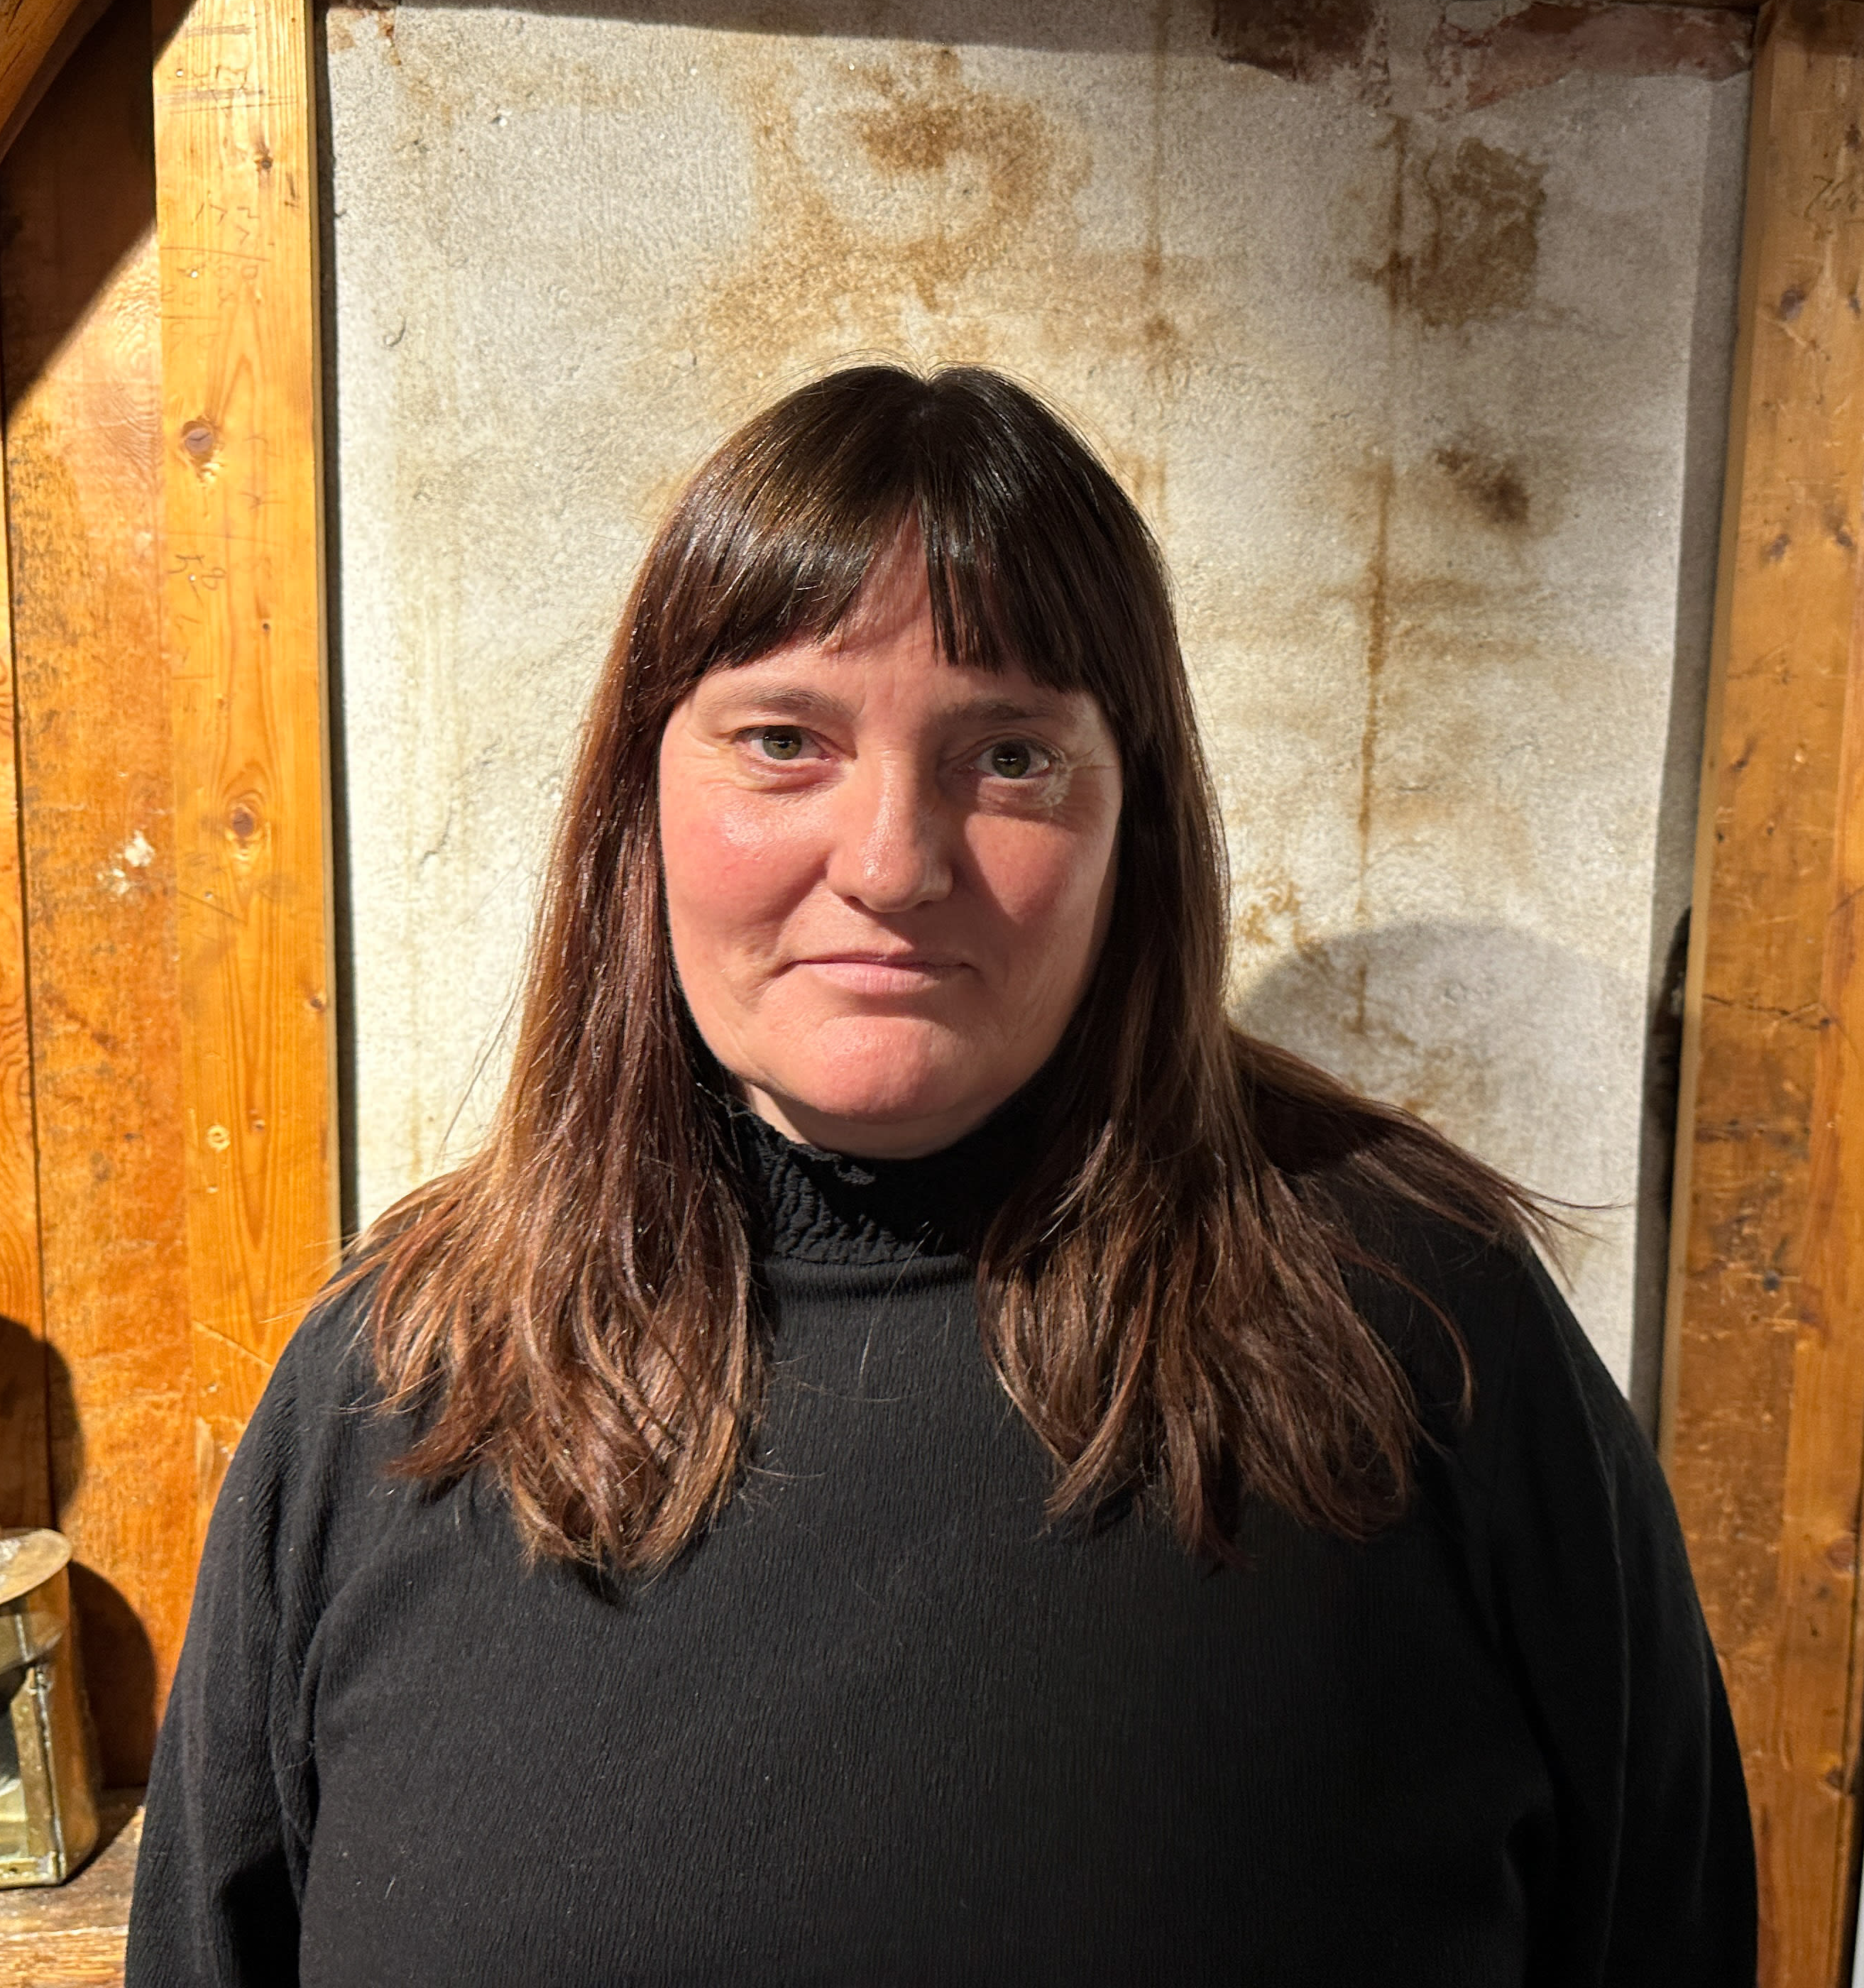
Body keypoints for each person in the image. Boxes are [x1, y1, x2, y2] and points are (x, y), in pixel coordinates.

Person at [128, 366, 1755, 1986]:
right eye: (785, 741)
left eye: (1012, 757)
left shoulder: (1427, 1330)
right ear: (640, 797)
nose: (894, 863)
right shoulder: (393, 1384)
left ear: (1137, 824)